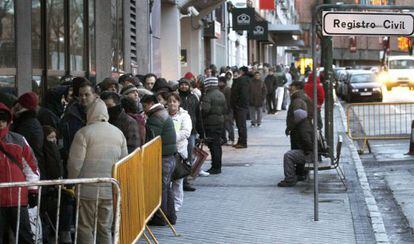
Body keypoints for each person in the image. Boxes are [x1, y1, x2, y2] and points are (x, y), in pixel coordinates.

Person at [67, 98, 127, 244]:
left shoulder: (83, 133)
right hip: (110, 188)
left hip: (87, 189)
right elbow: (124, 161)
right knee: (105, 227)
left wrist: (71, 183)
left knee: (85, 226)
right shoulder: (118, 133)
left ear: (89, 114)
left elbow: (75, 164)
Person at [0, 103, 39, 244]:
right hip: (13, 198)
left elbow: (31, 166)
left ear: (8, 121)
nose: (0, 123)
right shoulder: (18, 140)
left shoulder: (19, 140)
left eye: (3, 120)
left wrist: (33, 190)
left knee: (24, 237)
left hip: (18, 198)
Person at [141, 94, 177, 225]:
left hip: (163, 158)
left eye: (144, 106)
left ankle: (161, 218)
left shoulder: (155, 117)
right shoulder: (162, 112)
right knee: (166, 187)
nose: (143, 109)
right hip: (169, 156)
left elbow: (151, 140)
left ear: (150, 103)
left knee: (161, 188)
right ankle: (170, 217)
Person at [60, 81, 96, 166]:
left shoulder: (103, 115)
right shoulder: (70, 115)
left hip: (95, 161)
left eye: (87, 95)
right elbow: (64, 139)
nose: (83, 97)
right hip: (74, 161)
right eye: (80, 95)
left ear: (94, 96)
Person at [167, 93, 192, 212]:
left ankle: (177, 204)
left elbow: (186, 132)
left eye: (174, 101)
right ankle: (168, 203)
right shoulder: (164, 115)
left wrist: (171, 138)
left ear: (179, 103)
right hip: (166, 152)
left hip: (179, 151)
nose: (172, 103)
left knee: (178, 179)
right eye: (170, 101)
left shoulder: (184, 116)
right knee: (167, 180)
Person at [278, 109, 313, 187]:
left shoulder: (303, 128)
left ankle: (290, 179)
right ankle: (295, 176)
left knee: (288, 155)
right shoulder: (305, 124)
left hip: (310, 154)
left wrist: (305, 151)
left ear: (298, 117)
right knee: (292, 154)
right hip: (311, 153)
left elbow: (307, 142)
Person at [286, 81, 313, 181]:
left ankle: (300, 174)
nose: (289, 87)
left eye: (291, 86)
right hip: (301, 128)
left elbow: (299, 115)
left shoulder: (298, 98)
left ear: (296, 87)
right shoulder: (302, 96)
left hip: (299, 129)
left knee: (297, 149)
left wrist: (290, 127)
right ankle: (301, 173)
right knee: (298, 148)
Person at [178, 78, 203, 188]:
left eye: (185, 84)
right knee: (181, 155)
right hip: (179, 132)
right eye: (182, 84)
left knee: (189, 155)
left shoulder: (193, 98)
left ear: (189, 86)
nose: (183, 86)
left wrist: (202, 133)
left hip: (192, 131)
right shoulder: (176, 98)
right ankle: (180, 179)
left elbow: (198, 116)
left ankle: (186, 179)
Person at [11, 92, 44, 169]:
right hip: (31, 164)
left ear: (19, 105)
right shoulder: (31, 121)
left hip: (28, 166)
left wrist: (11, 115)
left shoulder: (25, 124)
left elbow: (15, 144)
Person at [200, 77, 226, 174]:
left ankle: (215, 167)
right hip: (220, 122)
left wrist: (201, 115)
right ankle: (218, 165)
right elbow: (225, 108)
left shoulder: (208, 95)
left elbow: (205, 110)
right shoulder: (221, 94)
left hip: (211, 123)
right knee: (217, 145)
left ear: (208, 85)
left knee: (213, 146)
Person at [231, 66, 250, 149]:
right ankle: (240, 141)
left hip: (240, 106)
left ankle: (243, 142)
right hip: (241, 105)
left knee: (241, 125)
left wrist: (237, 104)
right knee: (240, 125)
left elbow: (241, 94)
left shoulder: (242, 80)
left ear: (242, 72)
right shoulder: (244, 80)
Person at [218, 76, 234, 145]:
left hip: (227, 110)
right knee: (222, 126)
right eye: (219, 82)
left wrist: (228, 109)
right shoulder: (218, 89)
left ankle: (231, 138)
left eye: (221, 82)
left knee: (228, 125)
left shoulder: (227, 89)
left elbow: (229, 100)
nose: (220, 83)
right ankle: (223, 139)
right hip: (220, 110)